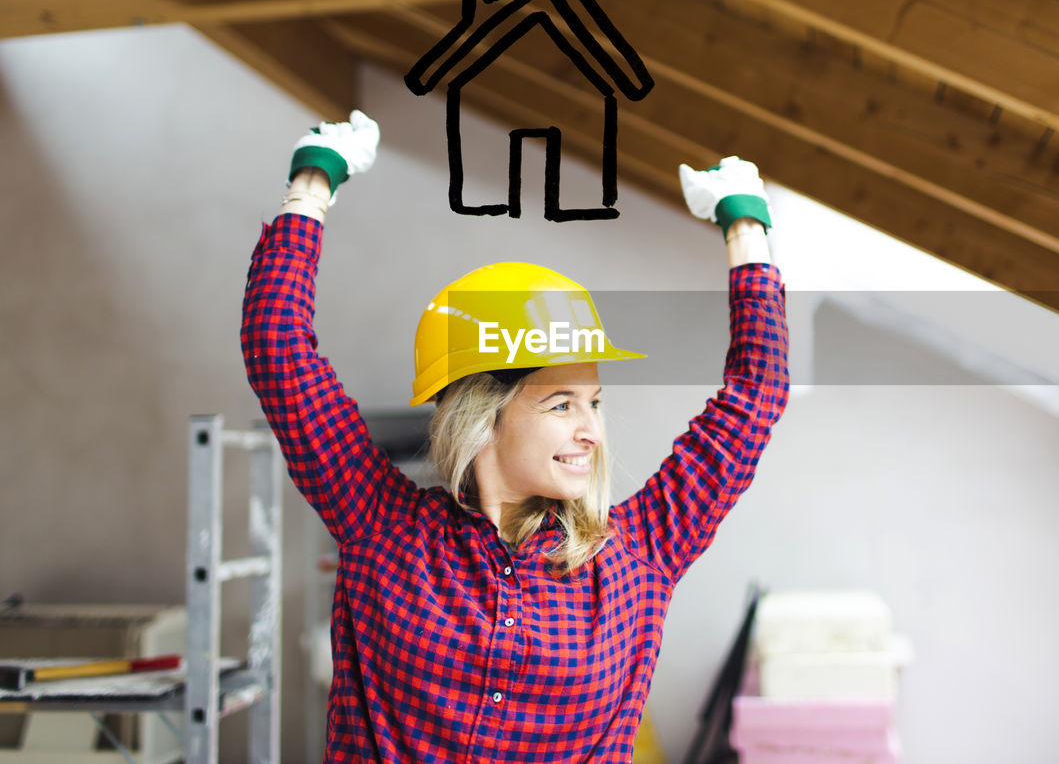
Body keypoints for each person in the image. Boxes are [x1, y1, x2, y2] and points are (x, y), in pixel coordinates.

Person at [241, 111, 789, 762]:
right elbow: (277, 346)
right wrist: (311, 184)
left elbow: (757, 391)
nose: (591, 432)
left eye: (594, 402)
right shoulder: (381, 525)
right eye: (561, 404)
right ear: (483, 417)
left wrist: (746, 225)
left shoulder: (639, 552)